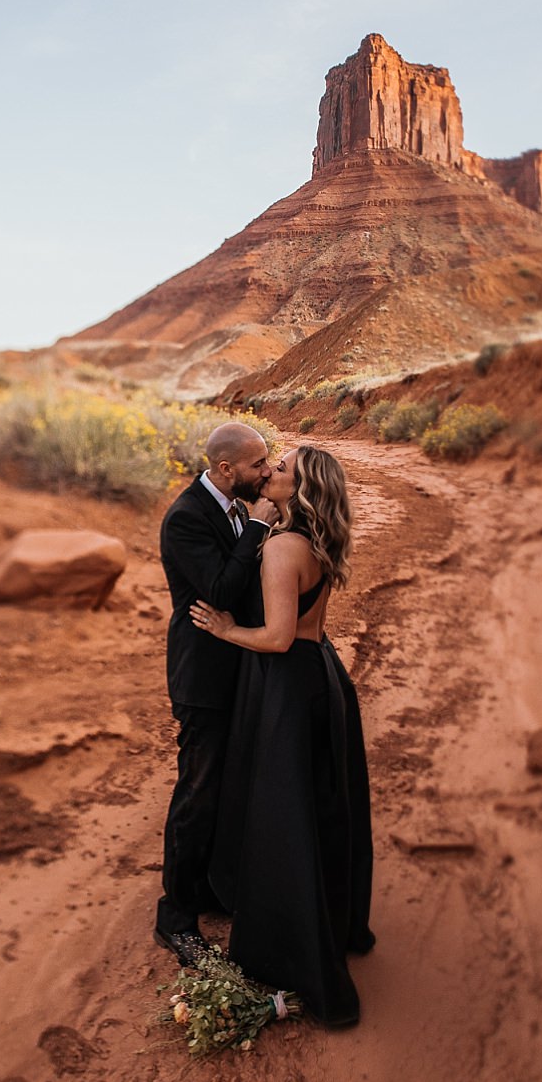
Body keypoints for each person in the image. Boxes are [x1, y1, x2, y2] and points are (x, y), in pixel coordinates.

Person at [191, 444, 376, 1028]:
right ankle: (329, 921)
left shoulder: (282, 551)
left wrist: (224, 629)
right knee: (317, 808)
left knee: (283, 816)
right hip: (322, 675)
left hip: (290, 685)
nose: (270, 471)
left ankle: (289, 948)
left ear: (299, 490)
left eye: (282, 469)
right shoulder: (313, 542)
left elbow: (274, 638)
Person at [153, 421, 277, 966]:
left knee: (228, 788)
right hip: (202, 678)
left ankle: (209, 888)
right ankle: (175, 916)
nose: (267, 471)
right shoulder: (185, 519)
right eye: (258, 465)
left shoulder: (229, 507)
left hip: (238, 668)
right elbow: (222, 591)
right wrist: (256, 529)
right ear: (226, 469)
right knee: (197, 794)